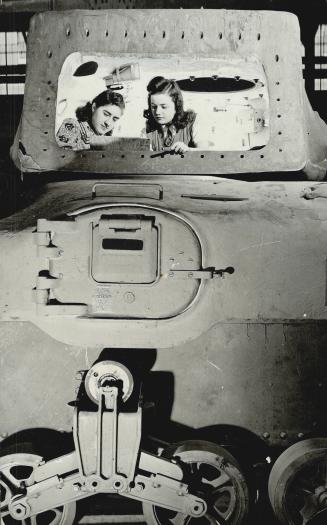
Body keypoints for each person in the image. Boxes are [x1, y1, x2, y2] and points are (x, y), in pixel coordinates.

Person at [144, 76, 205, 153]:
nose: (157, 112)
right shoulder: (147, 129)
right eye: (154, 107)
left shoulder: (193, 121)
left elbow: (207, 153)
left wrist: (188, 150)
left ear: (176, 105)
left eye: (164, 107)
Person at [56, 89, 125, 150]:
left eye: (114, 119)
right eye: (106, 114)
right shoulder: (72, 126)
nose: (108, 123)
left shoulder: (106, 141)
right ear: (94, 107)